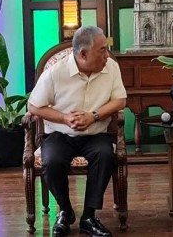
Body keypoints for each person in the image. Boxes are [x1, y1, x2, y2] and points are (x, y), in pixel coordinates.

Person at [28, 26, 127, 237]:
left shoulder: (111, 68)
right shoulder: (56, 72)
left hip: (95, 134)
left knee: (105, 155)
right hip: (59, 134)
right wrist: (64, 118)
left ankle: (89, 217)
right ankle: (65, 210)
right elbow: (34, 106)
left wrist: (94, 116)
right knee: (52, 161)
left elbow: (120, 100)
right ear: (83, 54)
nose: (107, 55)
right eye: (101, 50)